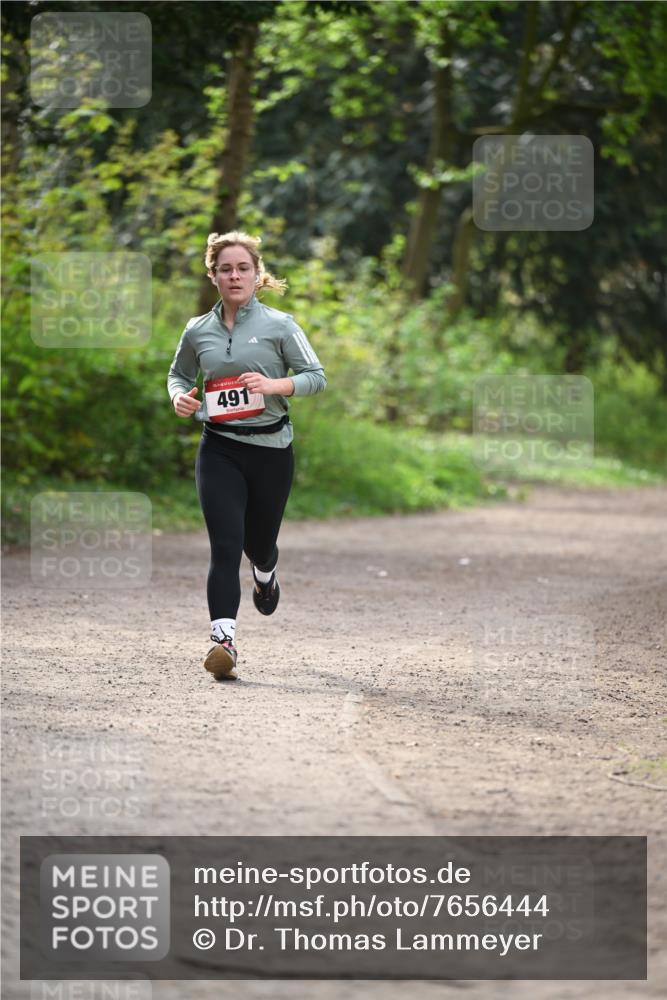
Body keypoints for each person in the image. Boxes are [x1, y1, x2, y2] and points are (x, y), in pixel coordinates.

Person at [167, 231, 326, 680]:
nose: (234, 276)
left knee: (258, 545)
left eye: (243, 268)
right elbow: (178, 375)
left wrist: (274, 385)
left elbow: (316, 376)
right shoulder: (197, 329)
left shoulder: (281, 325)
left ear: (257, 275)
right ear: (213, 276)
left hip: (272, 450)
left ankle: (266, 571)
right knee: (225, 545)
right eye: (225, 269)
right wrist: (179, 397)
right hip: (219, 448)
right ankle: (224, 644)